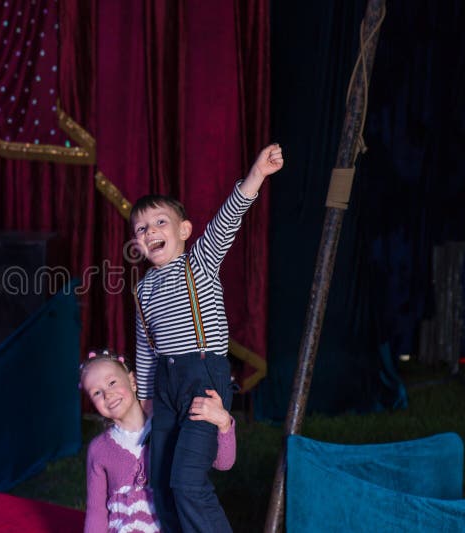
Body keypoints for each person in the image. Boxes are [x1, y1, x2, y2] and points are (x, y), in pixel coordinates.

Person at [131, 144, 284, 532]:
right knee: (162, 485)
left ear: (184, 230)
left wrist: (256, 175)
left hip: (203, 380)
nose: (150, 232)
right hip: (165, 389)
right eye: (141, 229)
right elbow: (146, 347)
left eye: (160, 222)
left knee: (187, 483)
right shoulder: (142, 289)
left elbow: (228, 218)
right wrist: (147, 398)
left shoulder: (199, 261)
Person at [80, 349, 236, 533]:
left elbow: (223, 463)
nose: (108, 394)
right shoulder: (99, 449)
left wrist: (224, 423)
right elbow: (96, 512)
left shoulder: (169, 429)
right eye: (97, 393)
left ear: (132, 381)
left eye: (112, 382)